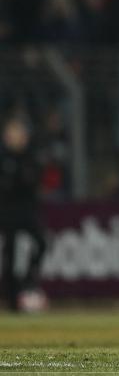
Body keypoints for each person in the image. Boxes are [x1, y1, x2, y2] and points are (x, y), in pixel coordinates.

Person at [0, 115, 47, 312]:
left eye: (19, 133)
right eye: (12, 133)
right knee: (9, 253)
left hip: (27, 210)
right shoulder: (3, 158)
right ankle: (12, 298)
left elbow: (36, 182)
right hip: (7, 211)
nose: (16, 137)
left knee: (41, 243)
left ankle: (28, 279)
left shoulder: (30, 156)